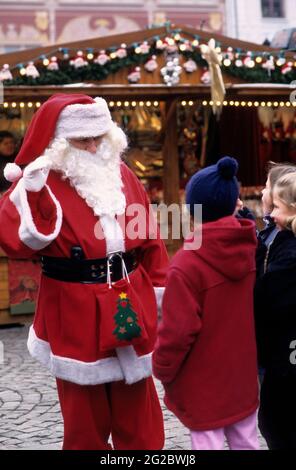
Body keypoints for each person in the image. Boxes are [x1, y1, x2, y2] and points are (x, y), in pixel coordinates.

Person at [0, 93, 168, 450]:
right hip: (74, 308)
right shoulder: (39, 181)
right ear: (60, 142)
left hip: (129, 297)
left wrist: (160, 288)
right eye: (83, 140)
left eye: (99, 137)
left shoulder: (121, 173)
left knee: (141, 418)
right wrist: (29, 192)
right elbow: (16, 242)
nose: (93, 147)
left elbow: (148, 234)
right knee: (84, 423)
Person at [153, 156, 259, 450]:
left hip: (203, 382)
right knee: (247, 443)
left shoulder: (186, 264)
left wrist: (161, 366)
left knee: (207, 444)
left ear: (194, 209)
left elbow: (177, 331)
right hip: (242, 375)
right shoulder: (251, 248)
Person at [254, 170, 296, 449]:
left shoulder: (290, 253)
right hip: (282, 351)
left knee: (277, 421)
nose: (272, 216)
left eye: (278, 209)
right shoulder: (282, 239)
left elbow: (267, 300)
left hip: (286, 355)